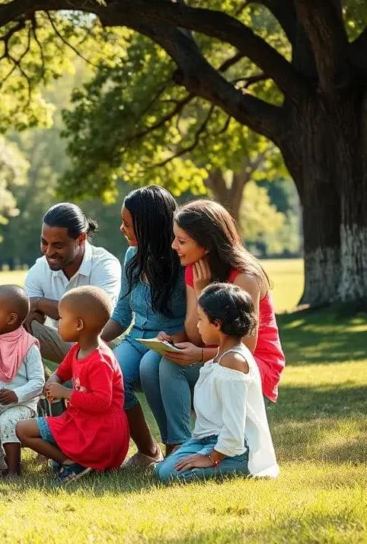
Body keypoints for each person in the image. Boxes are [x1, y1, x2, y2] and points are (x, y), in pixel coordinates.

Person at [163, 200, 285, 402]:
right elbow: (196, 336)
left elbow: (244, 348)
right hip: (219, 356)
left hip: (251, 363)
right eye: (175, 238)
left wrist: (201, 355)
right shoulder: (194, 270)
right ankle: (178, 435)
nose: (173, 246)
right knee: (157, 365)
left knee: (173, 370)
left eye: (182, 241)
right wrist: (202, 292)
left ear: (207, 245)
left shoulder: (245, 277)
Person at [100, 186, 188, 466]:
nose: (121, 228)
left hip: (172, 338)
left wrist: (177, 336)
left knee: (152, 366)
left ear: (148, 225)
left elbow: (194, 315)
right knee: (113, 378)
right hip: (137, 338)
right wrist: (94, 343)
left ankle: (175, 445)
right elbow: (123, 313)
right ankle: (148, 450)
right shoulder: (131, 257)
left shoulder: (182, 259)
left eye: (127, 223)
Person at [157, 283, 279, 483]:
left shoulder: (233, 362)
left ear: (217, 324)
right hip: (209, 438)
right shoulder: (222, 355)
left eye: (200, 320)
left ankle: (239, 467)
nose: (197, 326)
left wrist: (211, 457)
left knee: (168, 473)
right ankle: (198, 456)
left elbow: (234, 426)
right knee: (163, 468)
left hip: (236, 449)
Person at [17, 286, 130, 485]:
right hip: (81, 422)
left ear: (78, 324)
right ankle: (74, 460)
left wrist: (66, 393)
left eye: (60, 318)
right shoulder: (78, 349)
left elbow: (102, 402)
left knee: (23, 430)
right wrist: (52, 383)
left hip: (99, 433)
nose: (57, 323)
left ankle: (70, 463)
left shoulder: (100, 360)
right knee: (28, 427)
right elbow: (61, 373)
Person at [24, 203, 122, 365]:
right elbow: (29, 316)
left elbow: (95, 317)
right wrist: (33, 307)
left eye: (58, 245)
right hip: (64, 341)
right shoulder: (39, 270)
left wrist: (38, 303)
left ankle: (72, 381)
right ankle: (40, 384)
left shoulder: (105, 264)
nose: (48, 252)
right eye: (44, 242)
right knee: (13, 324)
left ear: (81, 239)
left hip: (103, 344)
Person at [0, 285, 44, 477]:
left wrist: (17, 394)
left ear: (11, 319)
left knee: (7, 421)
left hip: (22, 405)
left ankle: (14, 469)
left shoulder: (28, 346)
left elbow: (38, 381)